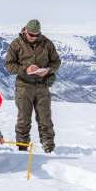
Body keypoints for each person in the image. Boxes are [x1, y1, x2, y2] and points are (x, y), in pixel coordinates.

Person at [5, 19, 61, 153]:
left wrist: (48, 70)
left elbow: (56, 62)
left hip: (42, 86)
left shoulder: (47, 43)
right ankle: (22, 146)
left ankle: (48, 146)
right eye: (32, 35)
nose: (35, 37)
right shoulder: (16, 44)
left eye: (37, 35)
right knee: (23, 119)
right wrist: (26, 70)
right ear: (25, 31)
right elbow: (9, 66)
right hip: (24, 86)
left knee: (45, 119)